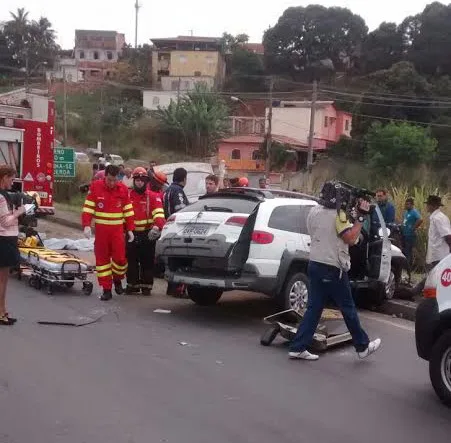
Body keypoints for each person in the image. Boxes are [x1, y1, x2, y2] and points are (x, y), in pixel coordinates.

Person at [289, 181, 381, 361]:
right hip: (332, 267)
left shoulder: (314, 212)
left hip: (315, 263)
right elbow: (351, 238)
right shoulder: (338, 216)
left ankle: (298, 347)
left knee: (314, 308)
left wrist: (352, 216)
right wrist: (361, 218)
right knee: (347, 308)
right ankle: (362, 346)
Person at [82, 164, 135, 301]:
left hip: (117, 231)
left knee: (120, 260)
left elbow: (128, 211)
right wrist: (86, 225)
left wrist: (130, 229)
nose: (112, 183)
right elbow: (88, 208)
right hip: (101, 232)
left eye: (114, 180)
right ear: (105, 176)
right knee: (102, 261)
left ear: (118, 178)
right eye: (109, 180)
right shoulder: (95, 187)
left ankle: (117, 280)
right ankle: (106, 289)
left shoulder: (123, 189)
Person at [126, 167, 166, 296]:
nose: (139, 182)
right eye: (137, 180)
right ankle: (132, 285)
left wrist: (157, 227)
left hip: (147, 234)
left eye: (142, 180)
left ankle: (146, 287)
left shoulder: (153, 197)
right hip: (131, 234)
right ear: (134, 181)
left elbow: (159, 215)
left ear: (146, 181)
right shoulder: (127, 196)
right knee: (131, 261)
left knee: (147, 261)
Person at [0, 165, 25, 325]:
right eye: (11, 178)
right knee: (2, 280)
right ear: (3, 178)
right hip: (4, 241)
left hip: (6, 240)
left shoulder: (4, 196)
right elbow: (5, 221)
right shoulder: (1, 197)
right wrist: (19, 212)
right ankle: (1, 313)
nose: (12, 182)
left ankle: (3, 310)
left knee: (4, 280)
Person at [425, 195, 451, 270]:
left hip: (440, 254)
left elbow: (447, 235)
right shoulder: (434, 217)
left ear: (433, 206)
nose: (427, 206)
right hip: (436, 253)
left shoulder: (438, 218)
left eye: (428, 204)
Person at [401, 198, 423, 268]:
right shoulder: (406, 212)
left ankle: (408, 267)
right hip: (404, 234)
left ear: (412, 205)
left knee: (408, 251)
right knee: (404, 251)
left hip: (410, 235)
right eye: (406, 204)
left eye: (408, 204)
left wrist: (414, 227)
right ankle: (405, 266)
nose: (406, 205)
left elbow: (420, 219)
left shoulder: (414, 212)